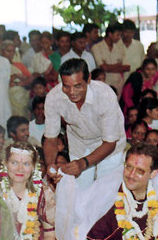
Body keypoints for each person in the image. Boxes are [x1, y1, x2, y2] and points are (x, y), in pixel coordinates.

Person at [43, 59, 126, 188]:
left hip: (109, 147)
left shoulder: (105, 95)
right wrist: (50, 165)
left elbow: (110, 143)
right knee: (80, 192)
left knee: (106, 191)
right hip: (79, 143)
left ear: (88, 80)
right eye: (66, 86)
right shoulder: (54, 97)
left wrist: (83, 163)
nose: (72, 92)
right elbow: (50, 138)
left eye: (77, 86)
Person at [91, 22, 129, 96]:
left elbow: (127, 67)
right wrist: (118, 65)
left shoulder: (120, 47)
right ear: (110, 34)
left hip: (119, 84)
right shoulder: (96, 47)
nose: (119, 38)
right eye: (117, 35)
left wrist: (108, 67)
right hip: (103, 84)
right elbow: (104, 67)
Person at [1, 40, 32, 119]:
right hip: (5, 98)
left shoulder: (19, 65)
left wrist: (18, 83)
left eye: (13, 51)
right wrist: (13, 77)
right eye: (8, 51)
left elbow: (30, 79)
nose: (11, 54)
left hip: (21, 97)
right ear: (2, 52)